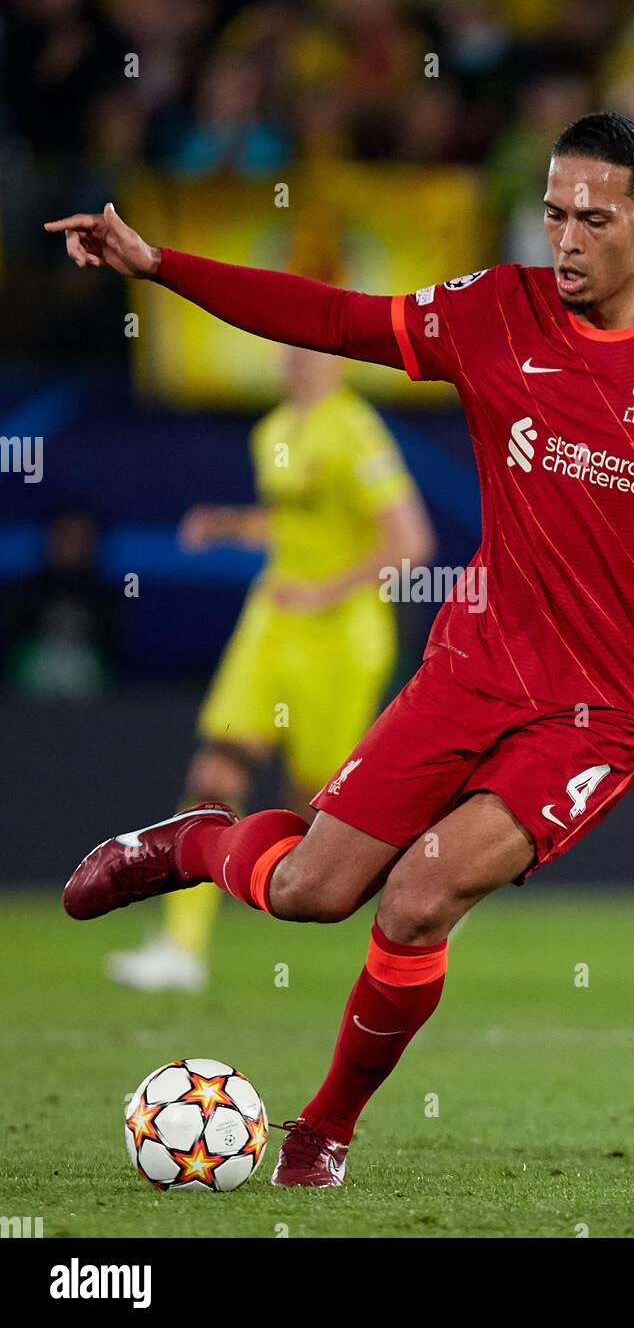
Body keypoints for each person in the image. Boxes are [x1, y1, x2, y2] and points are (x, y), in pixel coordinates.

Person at [47, 111, 634, 1189]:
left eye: (592, 220)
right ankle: (193, 845)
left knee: (418, 896)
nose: (564, 239)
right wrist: (157, 265)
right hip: (470, 667)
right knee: (314, 893)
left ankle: (322, 1131)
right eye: (553, 213)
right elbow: (332, 316)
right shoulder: (492, 312)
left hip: (600, 710)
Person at [106, 344, 434, 992]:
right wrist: (231, 525)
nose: (298, 362)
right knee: (217, 766)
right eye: (288, 351)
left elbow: (410, 543)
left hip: (341, 640)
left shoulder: (355, 431)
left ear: (340, 363)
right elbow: (293, 526)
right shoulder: (273, 432)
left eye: (312, 353)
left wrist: (323, 591)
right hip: (272, 623)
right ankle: (181, 945)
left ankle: (426, 890)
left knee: (321, 816)